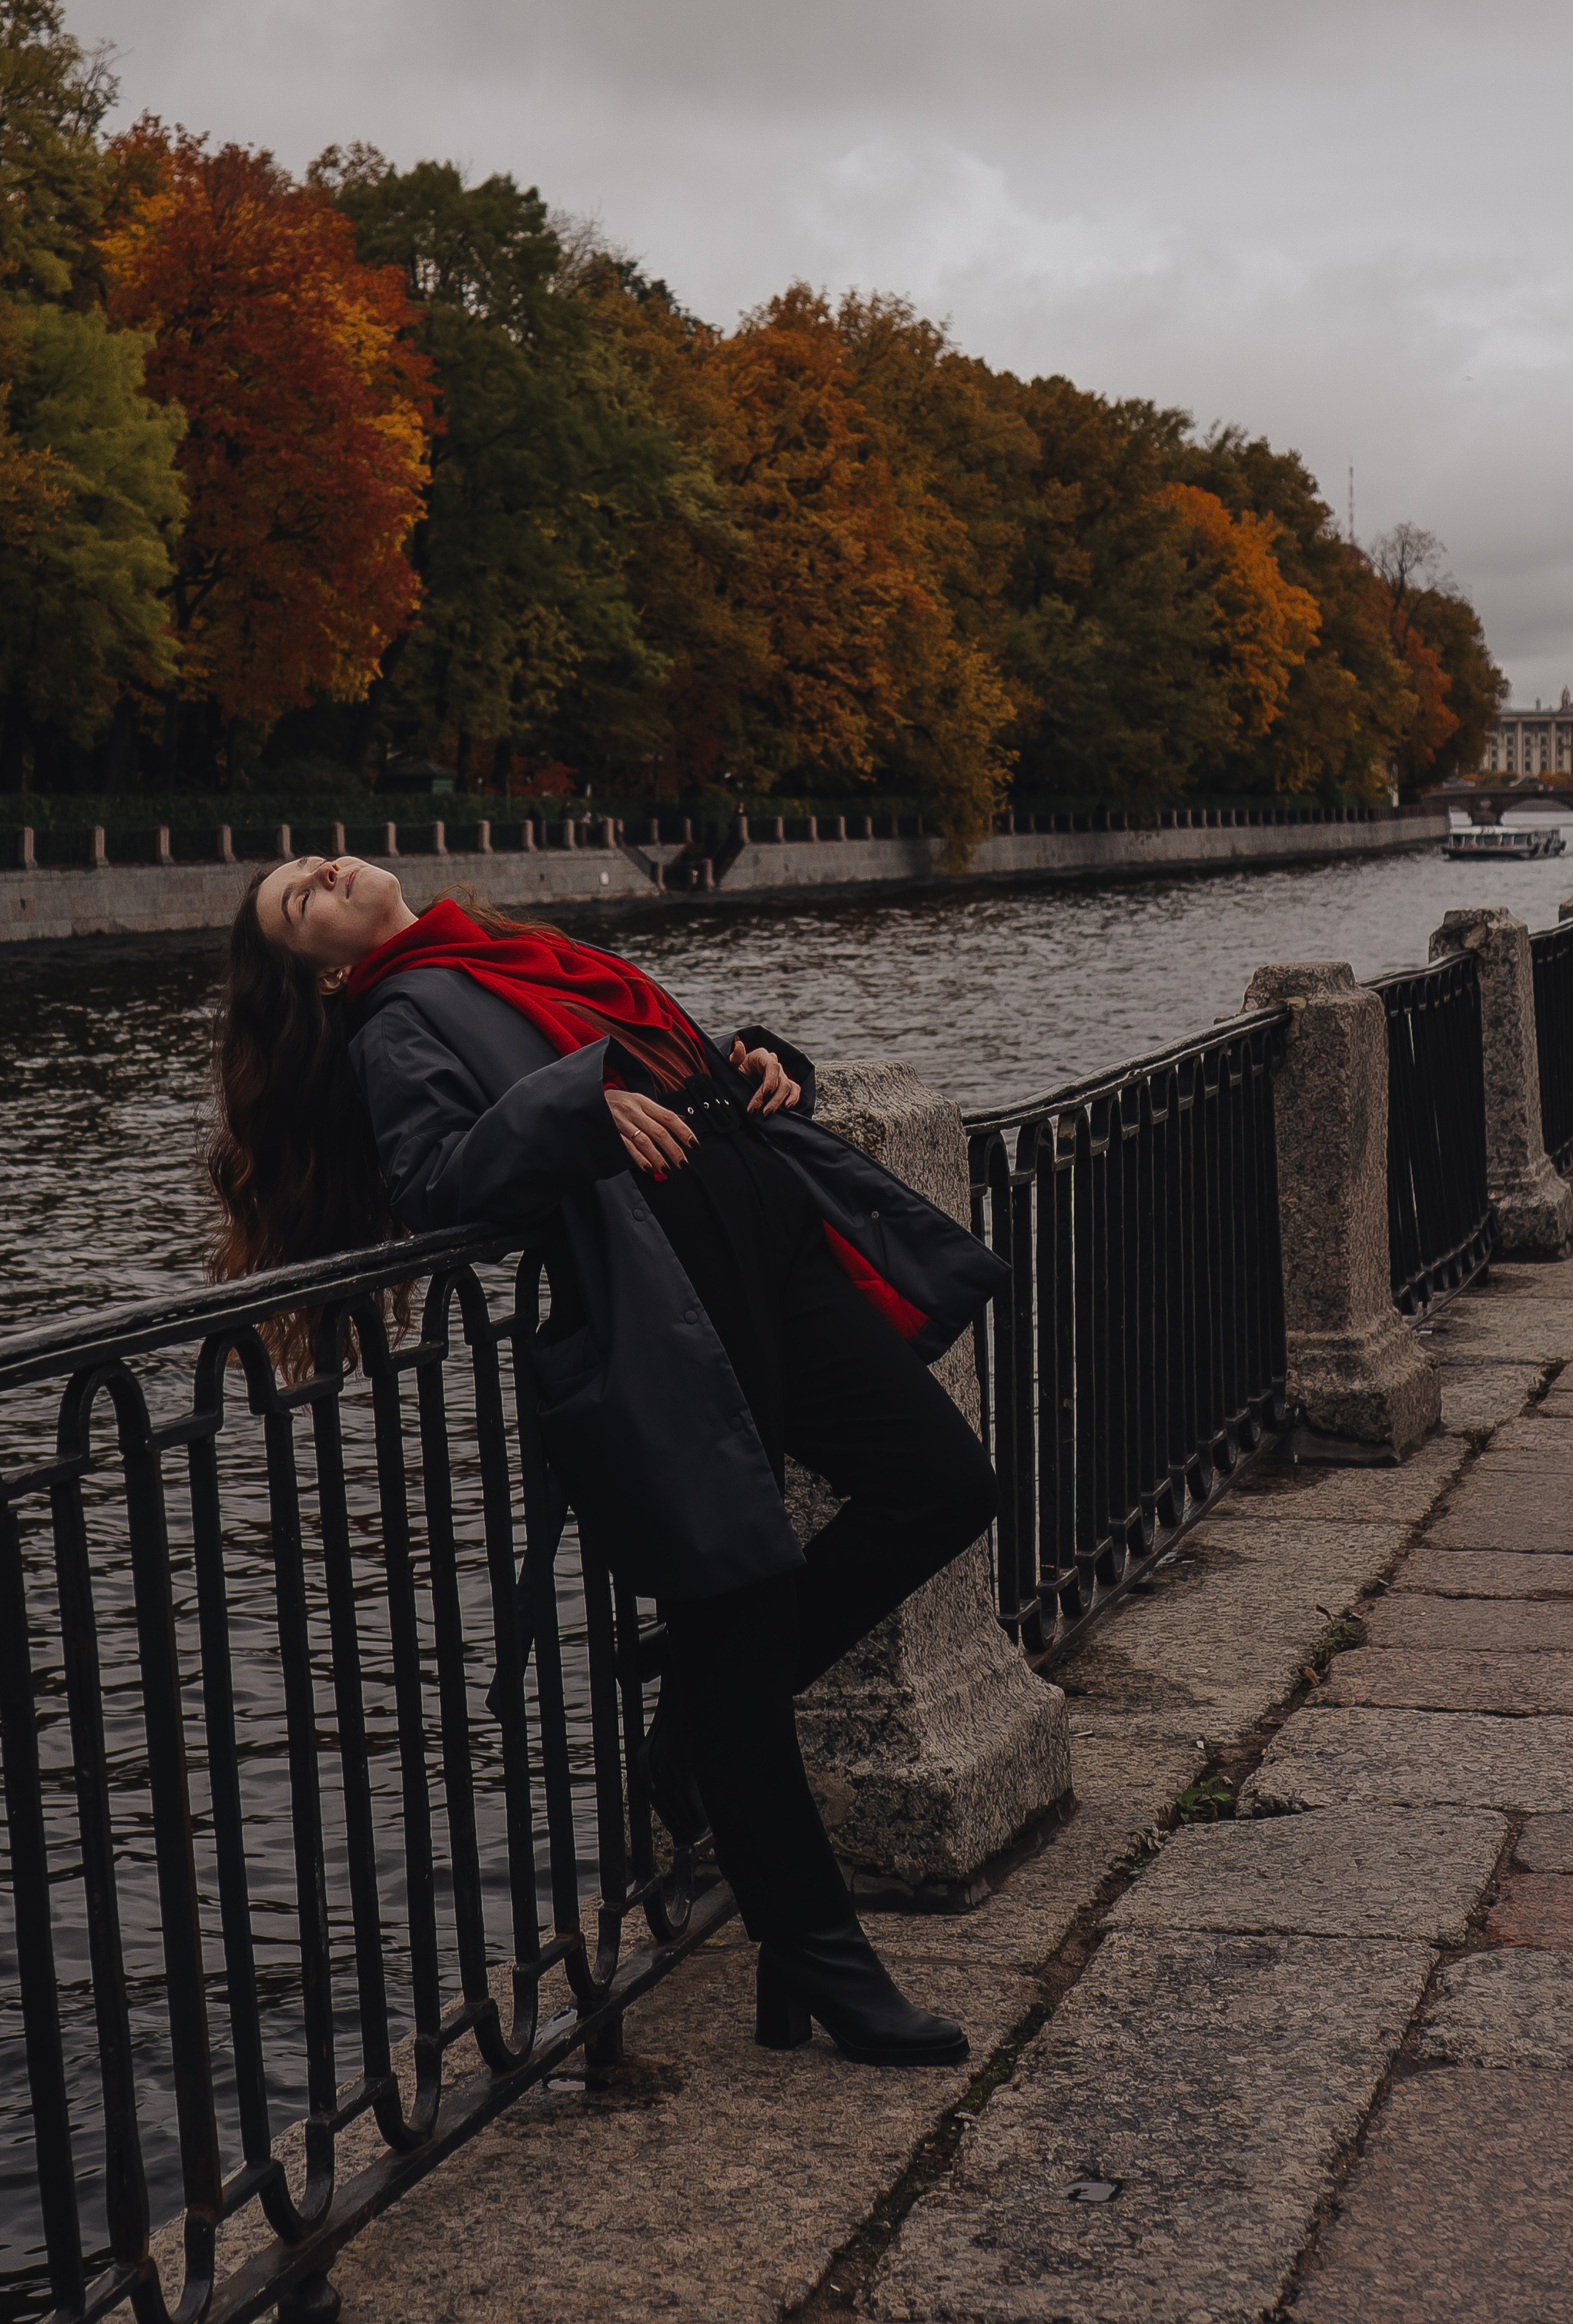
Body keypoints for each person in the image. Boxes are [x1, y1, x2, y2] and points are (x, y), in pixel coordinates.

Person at [208, 853, 1006, 2069]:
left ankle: (691, 1718)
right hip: (664, 1301)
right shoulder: (394, 1021)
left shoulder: (503, 951)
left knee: (944, 1484)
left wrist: (753, 1057)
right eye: (297, 901)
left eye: (310, 864)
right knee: (743, 1625)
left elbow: (649, 1060)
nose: (319, 871)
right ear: (316, 977)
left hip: (764, 1238)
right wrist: (571, 1112)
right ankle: (820, 1955)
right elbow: (438, 1184)